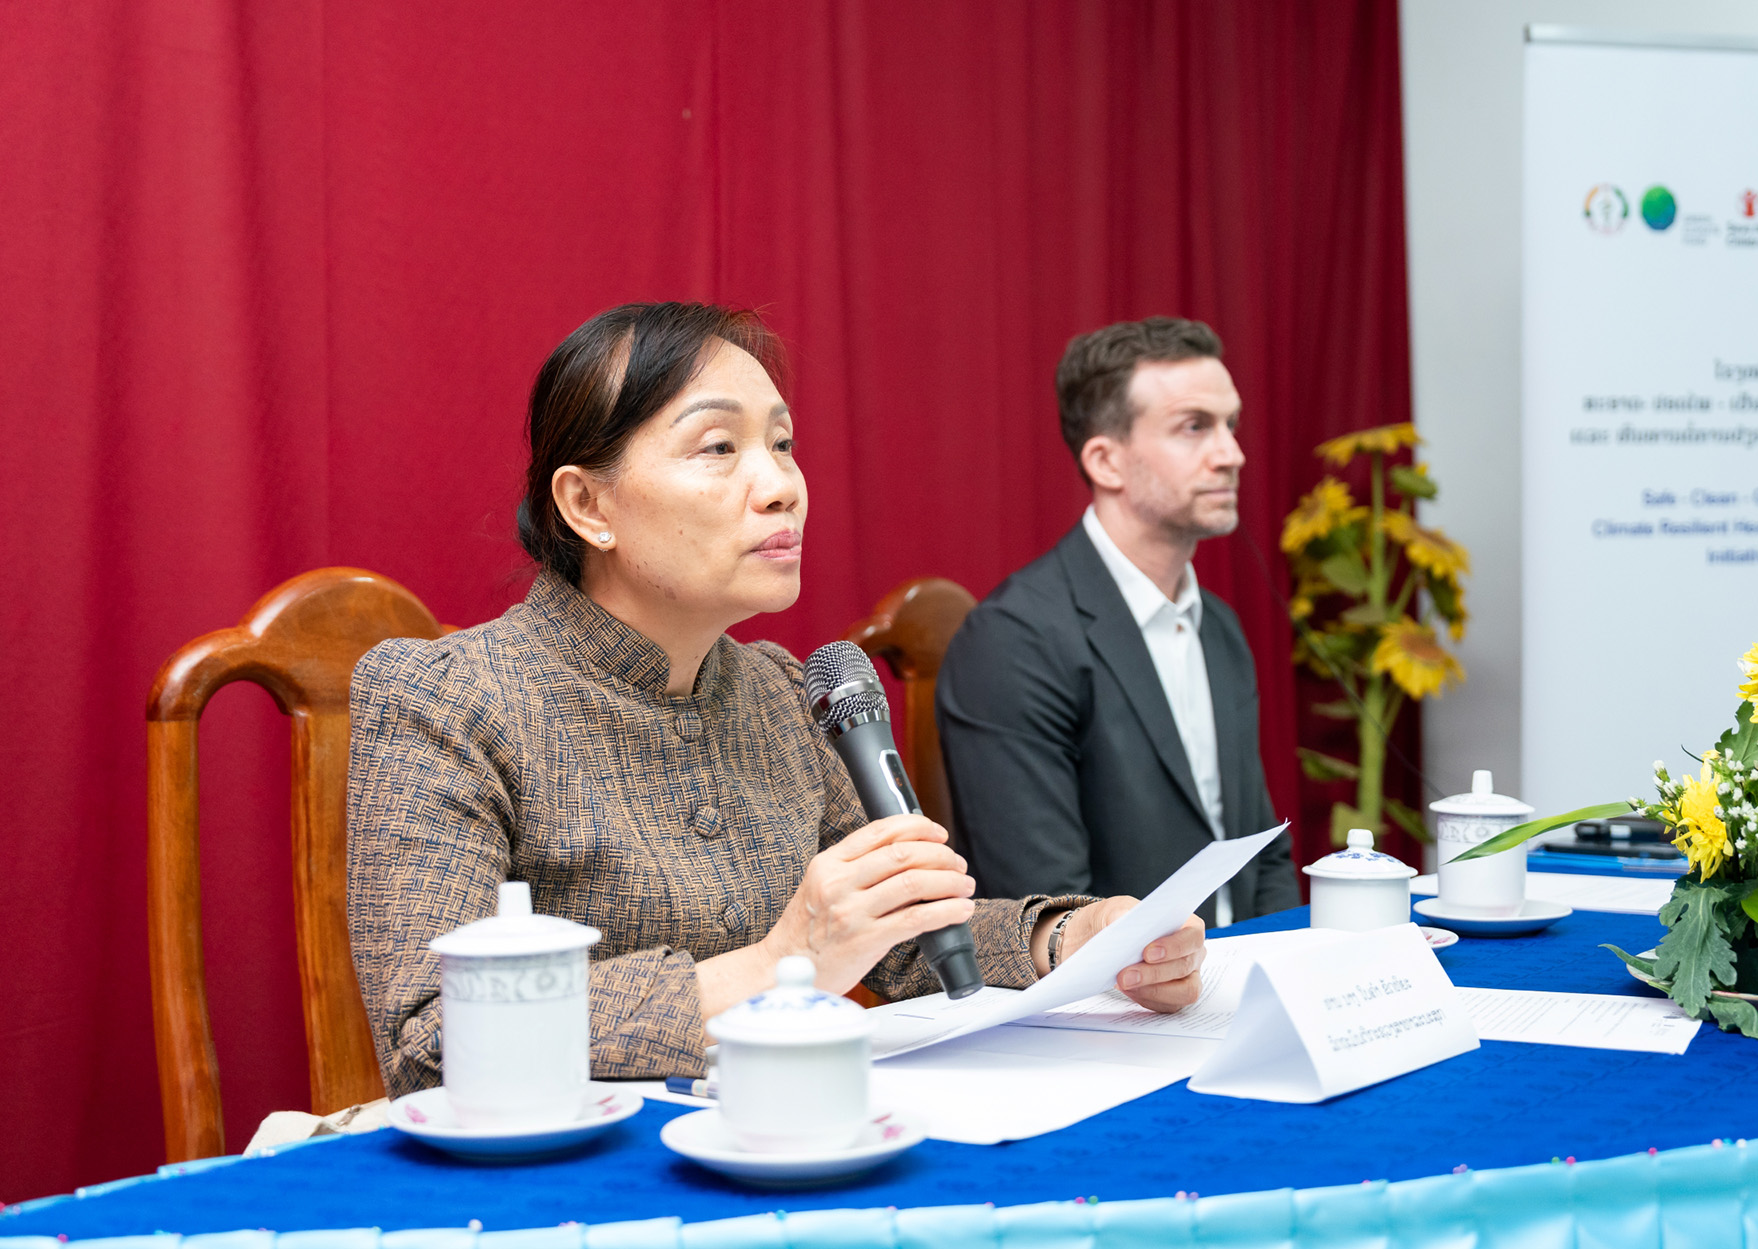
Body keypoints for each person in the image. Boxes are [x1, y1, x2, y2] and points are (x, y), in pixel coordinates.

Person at [346, 302, 1207, 1098]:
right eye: (718, 447)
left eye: (784, 444)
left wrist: (1073, 939)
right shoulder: (446, 700)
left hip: (789, 1137)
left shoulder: (782, 692)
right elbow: (433, 1036)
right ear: (587, 503)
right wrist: (781, 961)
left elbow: (901, 941)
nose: (783, 486)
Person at [936, 317, 1296, 927]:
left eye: (1230, 424)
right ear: (1107, 461)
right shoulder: (1013, 643)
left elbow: (1265, 856)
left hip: (1241, 978)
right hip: (1115, 1004)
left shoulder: (1221, 630)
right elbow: (1045, 909)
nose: (1232, 454)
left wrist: (1280, 968)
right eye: (1194, 427)